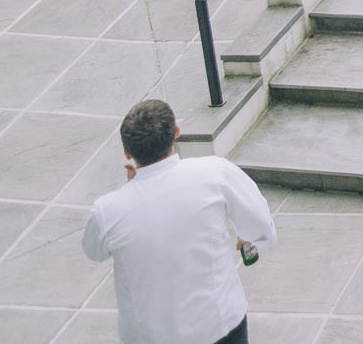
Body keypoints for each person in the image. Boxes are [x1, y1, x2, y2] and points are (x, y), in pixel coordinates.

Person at [82, 97, 274, 344]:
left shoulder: (107, 211)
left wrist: (130, 192)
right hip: (219, 326)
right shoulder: (215, 173)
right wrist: (246, 234)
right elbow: (260, 226)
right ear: (176, 133)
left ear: (127, 152)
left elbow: (93, 251)